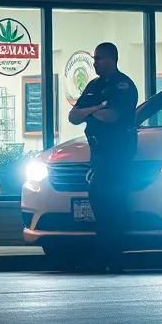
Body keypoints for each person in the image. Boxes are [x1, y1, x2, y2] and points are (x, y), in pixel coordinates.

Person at [67, 41, 139, 273]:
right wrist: (95, 108)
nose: (95, 62)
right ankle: (109, 257)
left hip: (117, 153)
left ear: (112, 59)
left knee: (110, 204)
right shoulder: (93, 86)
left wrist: (90, 111)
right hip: (98, 153)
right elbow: (73, 116)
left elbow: (112, 117)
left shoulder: (123, 86)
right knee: (100, 203)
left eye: (99, 58)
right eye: (94, 58)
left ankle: (109, 257)